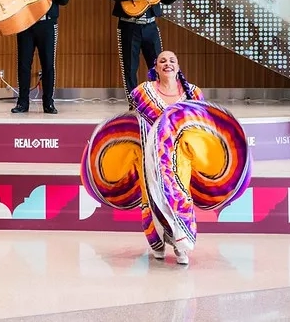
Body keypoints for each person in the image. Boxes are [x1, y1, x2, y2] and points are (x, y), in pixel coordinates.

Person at [81, 51, 251, 266]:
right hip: (148, 157)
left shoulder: (193, 93)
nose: (167, 64)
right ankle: (157, 243)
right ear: (156, 67)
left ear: (178, 67)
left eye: (172, 61)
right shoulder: (143, 92)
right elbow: (134, 121)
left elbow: (202, 126)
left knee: (178, 196)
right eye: (162, 61)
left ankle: (181, 245)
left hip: (179, 159)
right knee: (151, 200)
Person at [110, 0, 184, 106]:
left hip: (150, 27)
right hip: (129, 27)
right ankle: (134, 102)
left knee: (158, 63)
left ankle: (159, 98)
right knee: (130, 66)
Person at [5, 0, 70, 114]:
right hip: (25, 23)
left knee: (48, 65)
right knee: (23, 64)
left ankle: (48, 103)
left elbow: (63, 1)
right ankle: (22, 103)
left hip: (47, 25)